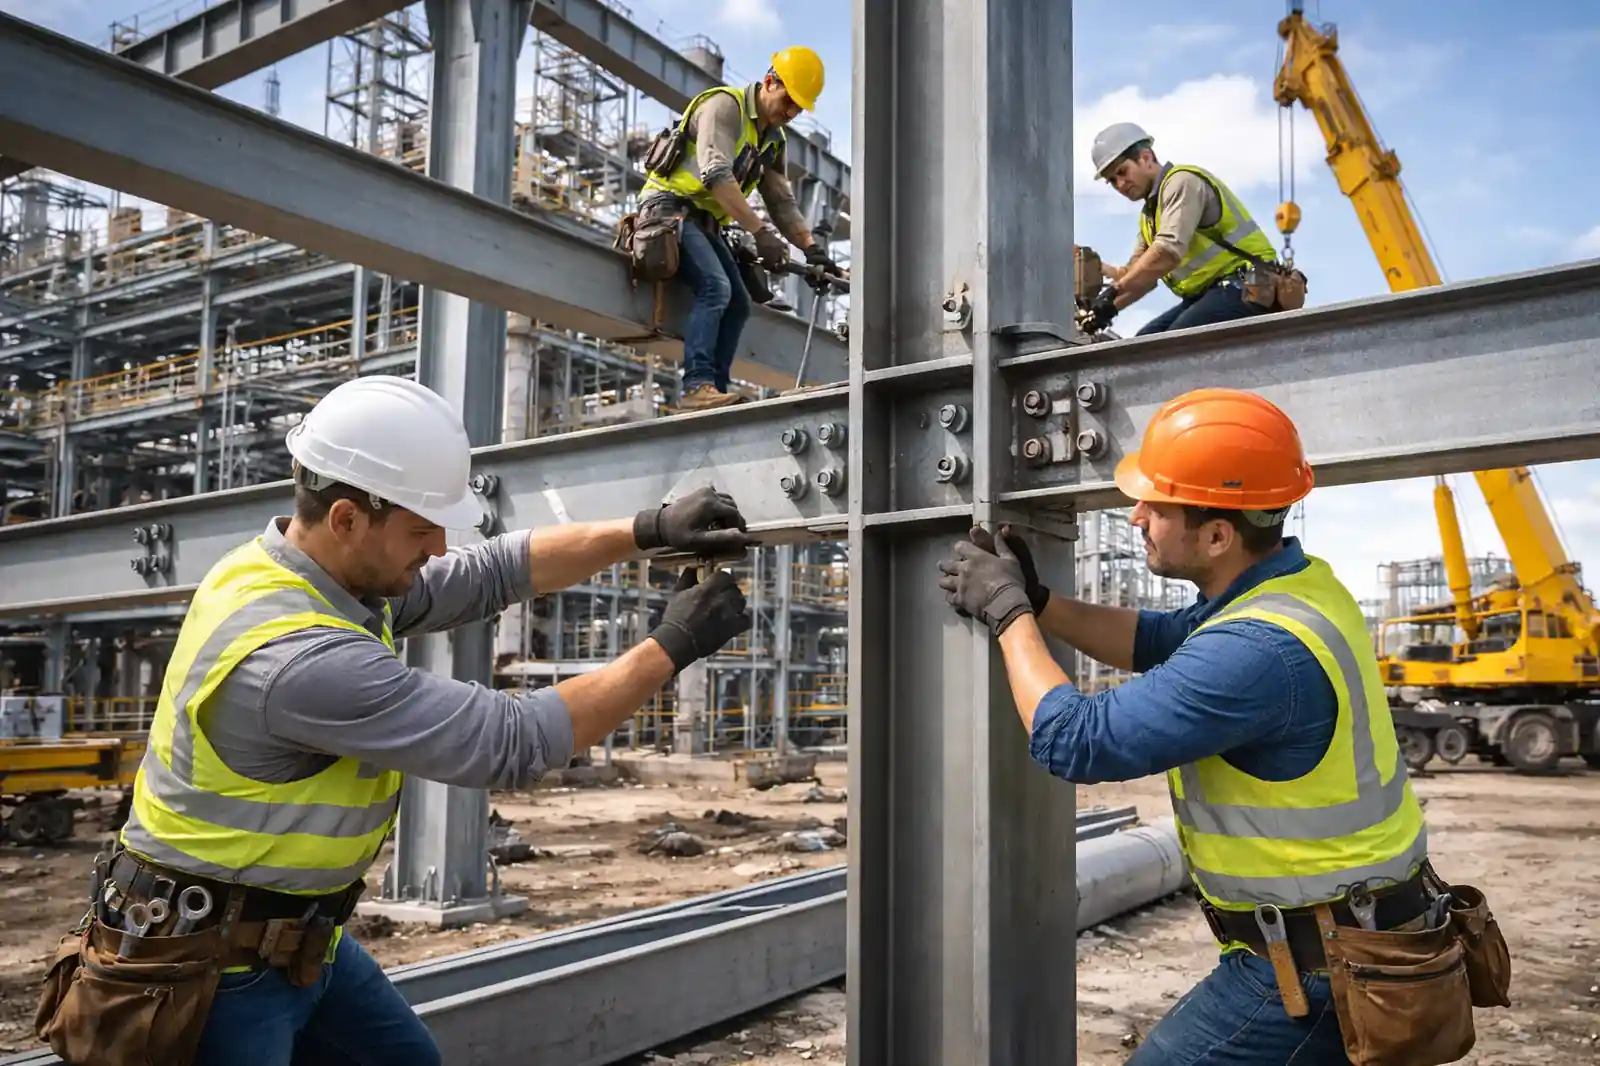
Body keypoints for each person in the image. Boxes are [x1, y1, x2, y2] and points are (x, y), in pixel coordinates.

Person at [36, 375, 756, 1066]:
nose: (437, 548)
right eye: (421, 529)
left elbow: (489, 573)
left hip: (293, 936)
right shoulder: (303, 662)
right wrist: (674, 645)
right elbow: (511, 741)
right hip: (210, 972)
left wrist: (648, 529)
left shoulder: (295, 572)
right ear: (348, 518)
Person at [935, 388, 1482, 1065]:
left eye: (1156, 507)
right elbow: (1159, 637)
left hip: (1326, 968)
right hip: (1364, 937)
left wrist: (1006, 613)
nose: (1136, 517)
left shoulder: (1257, 651)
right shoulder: (1296, 589)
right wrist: (1042, 603)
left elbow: (1076, 738)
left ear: (1219, 534)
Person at [640, 46, 840, 411]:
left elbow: (781, 202)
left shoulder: (773, 139)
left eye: (799, 107)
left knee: (740, 305)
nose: (791, 112)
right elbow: (716, 175)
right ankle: (696, 385)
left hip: (705, 223)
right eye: (788, 101)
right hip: (668, 210)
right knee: (715, 288)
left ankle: (715, 389)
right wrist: (761, 233)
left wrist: (813, 250)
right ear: (769, 82)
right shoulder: (724, 107)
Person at [1084, 122, 1282, 337]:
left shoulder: (1182, 182)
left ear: (1146, 157)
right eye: (1112, 181)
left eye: (1123, 172)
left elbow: (1167, 252)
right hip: (1212, 293)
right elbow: (1139, 276)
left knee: (1170, 347)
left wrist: (1115, 291)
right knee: (1140, 345)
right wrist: (1105, 308)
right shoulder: (1151, 214)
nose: (1120, 184)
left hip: (1251, 283)